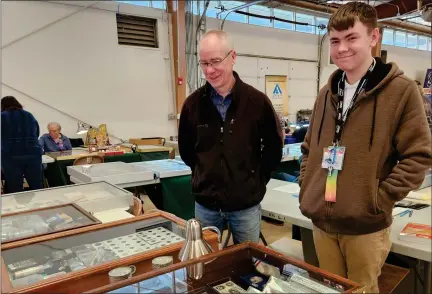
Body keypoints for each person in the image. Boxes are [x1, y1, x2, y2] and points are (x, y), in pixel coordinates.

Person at [298, 2, 431, 292]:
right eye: (335, 41)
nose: (342, 48)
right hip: (323, 223)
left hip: (365, 228)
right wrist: (307, 186)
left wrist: (378, 200)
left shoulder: (402, 91)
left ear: (374, 37)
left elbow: (418, 157)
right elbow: (309, 149)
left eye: (351, 38)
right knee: (330, 289)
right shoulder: (327, 93)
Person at [178, 30, 283, 244]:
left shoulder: (257, 103)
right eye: (204, 63)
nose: (210, 70)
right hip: (206, 206)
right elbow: (187, 152)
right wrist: (204, 177)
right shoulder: (192, 105)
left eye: (215, 61)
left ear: (233, 57)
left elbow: (273, 149)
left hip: (245, 207)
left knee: (247, 267)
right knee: (207, 266)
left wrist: (255, 182)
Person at [1, 96, 43, 193]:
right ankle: (41, 206)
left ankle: (18, 207)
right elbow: (36, 133)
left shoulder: (2, 116)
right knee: (36, 184)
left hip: (11, 155)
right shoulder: (29, 115)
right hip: (33, 153)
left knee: (15, 186)